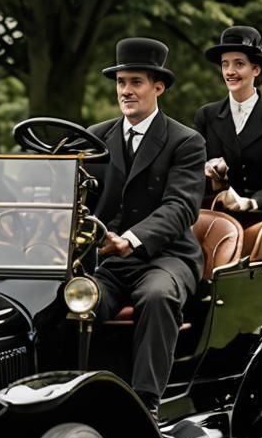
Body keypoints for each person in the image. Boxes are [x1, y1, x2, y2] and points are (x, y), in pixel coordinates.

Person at [87, 37, 206, 415]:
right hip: (107, 261)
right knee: (71, 301)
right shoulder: (96, 137)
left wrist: (131, 240)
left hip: (167, 258)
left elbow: (180, 207)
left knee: (157, 296)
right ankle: (67, 394)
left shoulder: (186, 142)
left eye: (135, 82)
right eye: (121, 83)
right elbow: (80, 200)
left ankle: (145, 405)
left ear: (158, 87)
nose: (126, 91)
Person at [193, 25, 262, 228]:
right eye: (225, 65)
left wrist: (249, 202)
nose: (230, 72)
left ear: (256, 69)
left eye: (239, 64)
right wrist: (210, 174)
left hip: (260, 221)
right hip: (213, 218)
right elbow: (189, 170)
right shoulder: (206, 115)